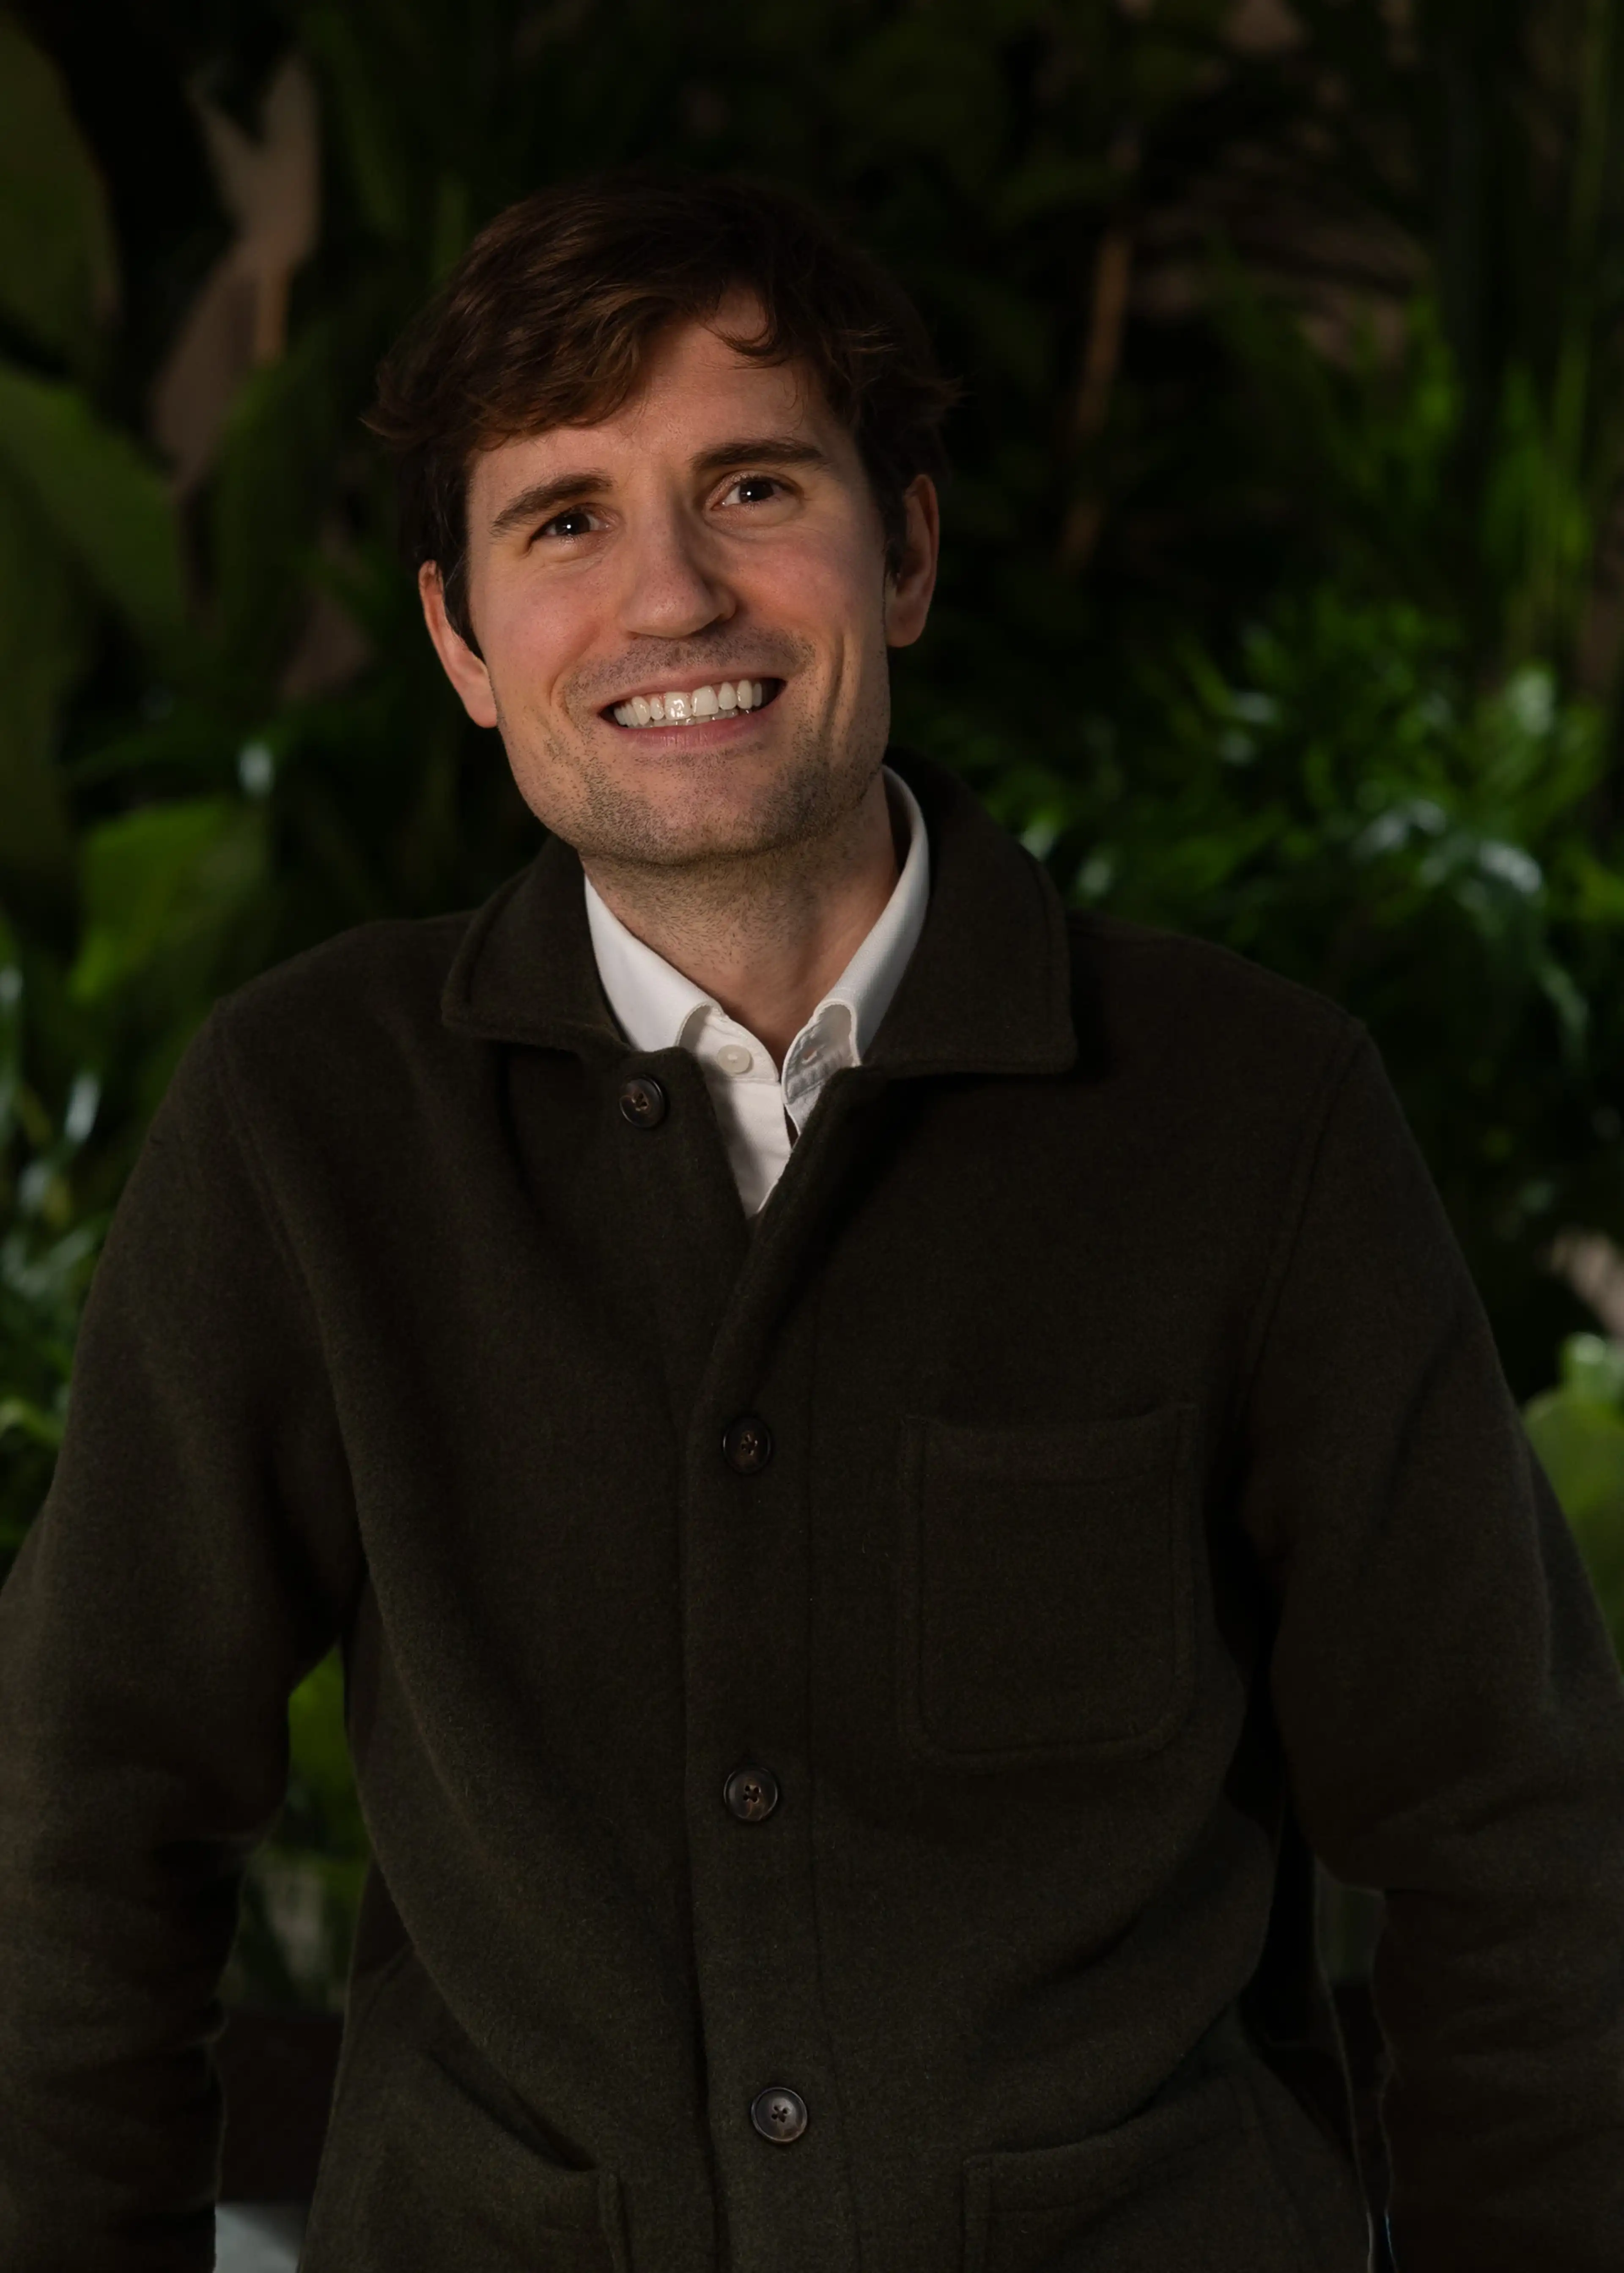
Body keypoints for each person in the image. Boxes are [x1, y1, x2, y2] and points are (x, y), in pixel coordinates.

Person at [0, 165, 1620, 2273]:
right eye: (563, 518)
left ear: (909, 550)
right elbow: (80, 1824)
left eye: (753, 487)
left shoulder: (1256, 1114)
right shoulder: (307, 1125)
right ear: (464, 643)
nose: (669, 596)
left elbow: (1515, 1832)